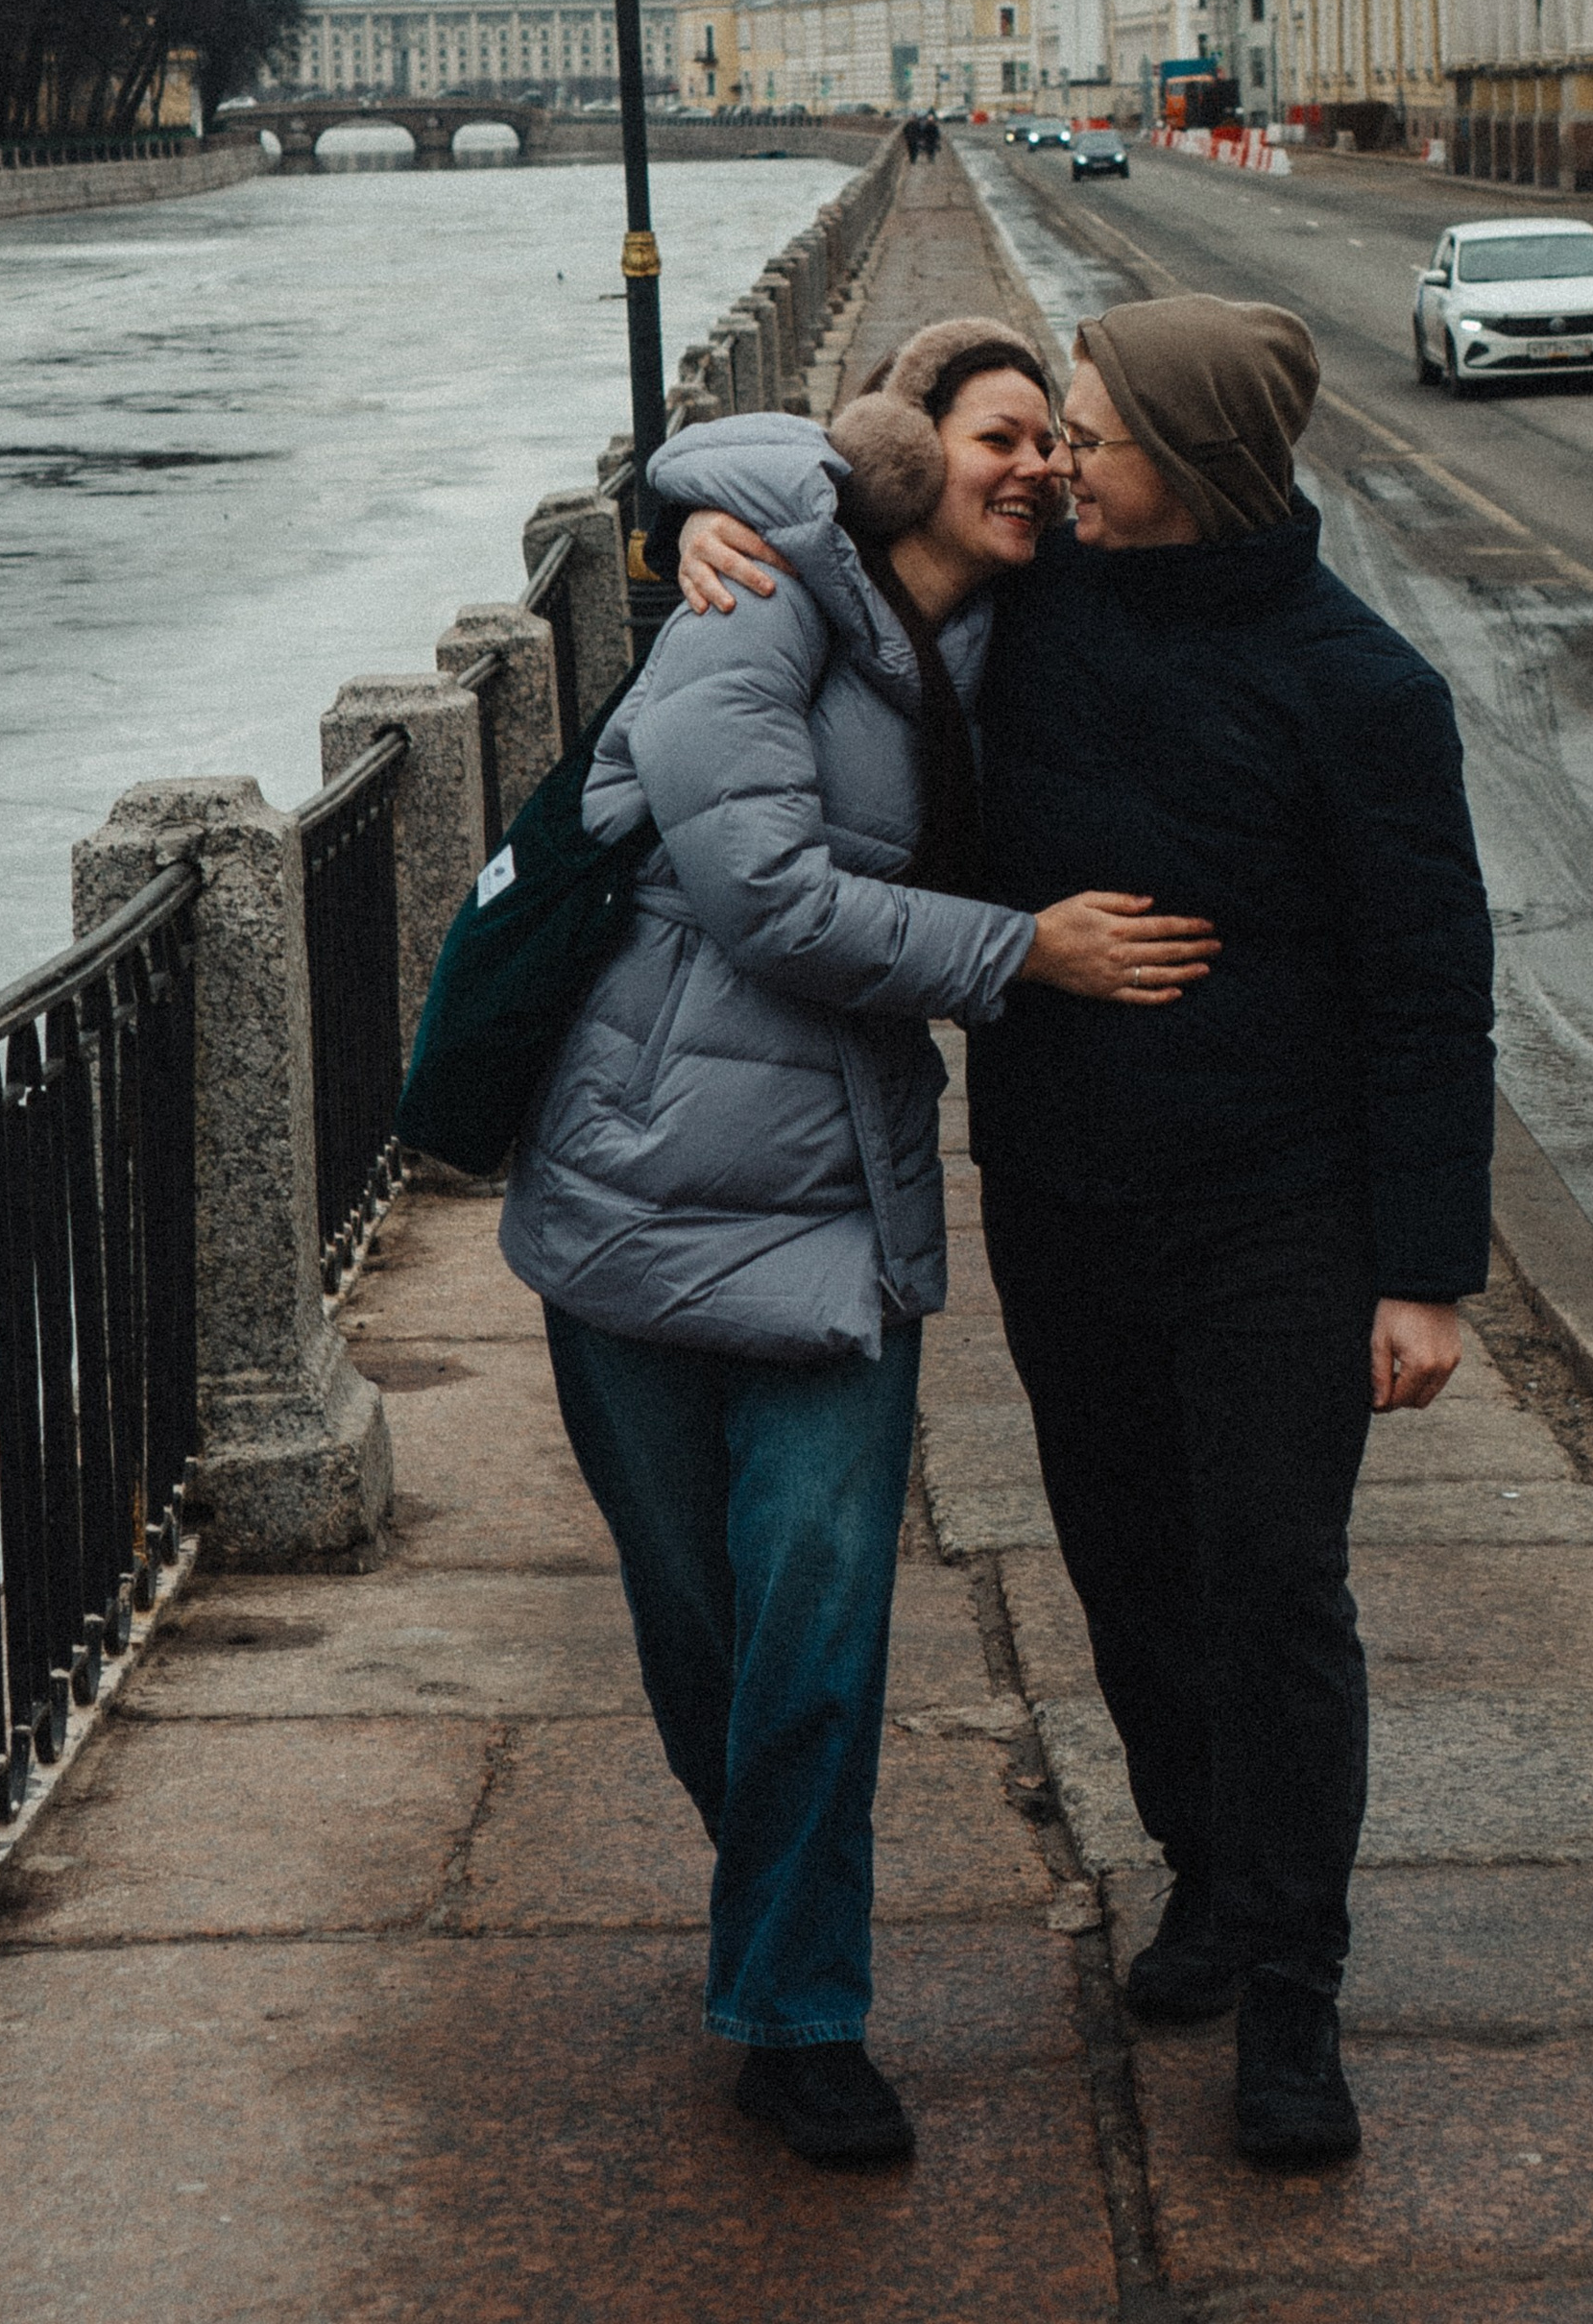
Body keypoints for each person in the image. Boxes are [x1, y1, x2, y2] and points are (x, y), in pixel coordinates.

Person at [676, 290, 1495, 2167]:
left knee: (1272, 1586)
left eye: (1093, 436)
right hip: (1064, 1199)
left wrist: (1424, 1274)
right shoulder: (1036, 616)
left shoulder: (1362, 689)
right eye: (1051, 433)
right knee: (1127, 1568)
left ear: (1189, 461)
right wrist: (698, 526)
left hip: (1277, 1217)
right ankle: (1205, 1871)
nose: (1057, 465)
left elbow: (1427, 992)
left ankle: (1293, 1991)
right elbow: (835, 534)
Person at [500, 318, 1216, 2169]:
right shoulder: (751, 611)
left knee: (815, 1641)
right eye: (1001, 436)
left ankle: (800, 2018)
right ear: (903, 453)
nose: (1038, 468)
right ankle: (777, 1911)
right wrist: (1020, 952)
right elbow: (762, 897)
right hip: (636, 1196)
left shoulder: (1017, 639)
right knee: (701, 1637)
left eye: (1056, 444)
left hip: (836, 1220)